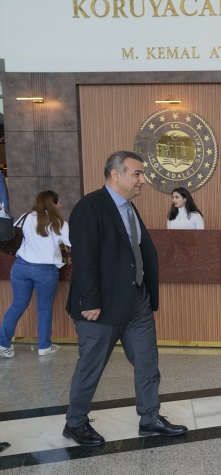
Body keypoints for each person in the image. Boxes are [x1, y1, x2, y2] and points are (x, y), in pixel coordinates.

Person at [64, 151, 188, 446]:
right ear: (115, 174)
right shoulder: (90, 206)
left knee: (147, 363)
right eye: (137, 174)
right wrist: (90, 301)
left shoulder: (129, 208)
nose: (143, 180)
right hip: (101, 306)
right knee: (91, 367)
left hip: (137, 302)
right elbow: (84, 258)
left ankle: (150, 417)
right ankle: (75, 423)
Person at [0, 190, 71, 359]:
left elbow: (12, 234)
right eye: (58, 202)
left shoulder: (26, 217)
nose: (61, 205)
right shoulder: (60, 223)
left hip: (21, 267)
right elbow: (72, 243)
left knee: (17, 305)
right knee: (44, 308)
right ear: (52, 204)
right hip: (45, 271)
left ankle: (3, 343)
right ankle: (44, 346)